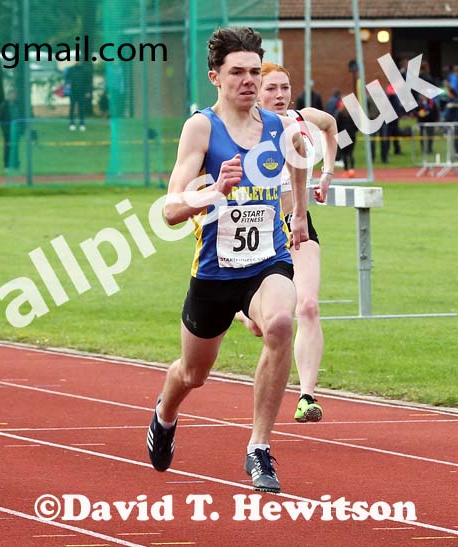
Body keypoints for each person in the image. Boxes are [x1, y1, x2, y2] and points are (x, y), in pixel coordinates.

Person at [146, 27, 309, 494]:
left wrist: (297, 212)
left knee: (280, 322)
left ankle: (258, 447)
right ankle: (165, 412)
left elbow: (298, 159)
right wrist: (214, 192)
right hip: (215, 272)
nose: (249, 81)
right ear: (216, 77)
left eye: (255, 72)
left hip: (267, 261)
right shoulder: (202, 128)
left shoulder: (279, 127)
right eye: (237, 72)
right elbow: (171, 209)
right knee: (193, 373)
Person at [234, 61, 338, 424]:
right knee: (263, 324)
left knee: (308, 306)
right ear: (257, 92)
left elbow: (330, 125)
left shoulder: (302, 118)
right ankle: (240, 308)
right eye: (271, 89)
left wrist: (326, 174)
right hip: (258, 231)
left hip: (299, 225)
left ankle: (307, 396)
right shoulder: (247, 130)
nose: (279, 95)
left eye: (285, 87)